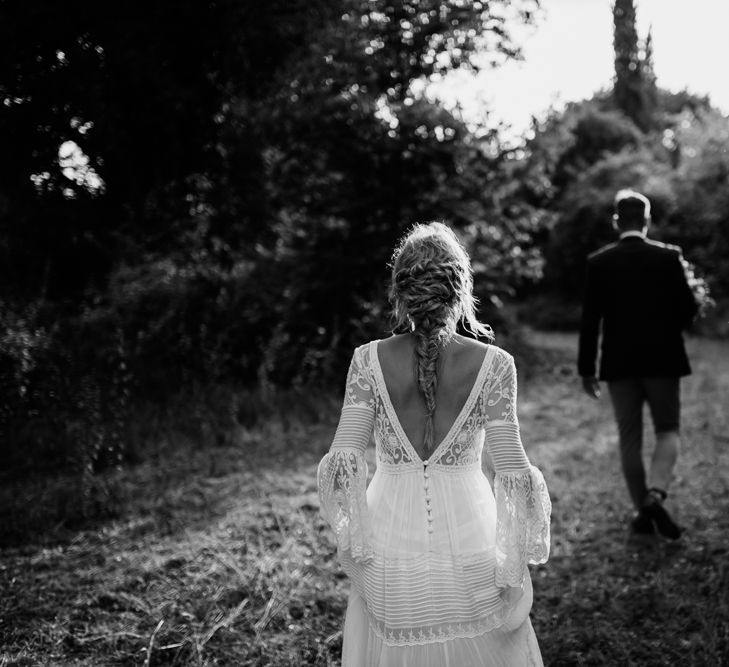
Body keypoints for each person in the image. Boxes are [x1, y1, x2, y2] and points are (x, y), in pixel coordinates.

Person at [317, 222, 551, 667]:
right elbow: (512, 468)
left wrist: (354, 533)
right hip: (471, 527)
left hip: (389, 532)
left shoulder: (368, 360)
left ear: (400, 291)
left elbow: (343, 461)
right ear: (461, 288)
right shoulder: (495, 365)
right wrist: (517, 549)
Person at [578, 189, 698, 540]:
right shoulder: (669, 257)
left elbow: (590, 321)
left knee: (629, 438)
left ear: (617, 222)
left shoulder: (599, 262)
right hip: (663, 359)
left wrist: (587, 369)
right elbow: (688, 311)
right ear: (647, 221)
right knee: (668, 430)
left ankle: (642, 512)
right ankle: (655, 496)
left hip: (618, 363)